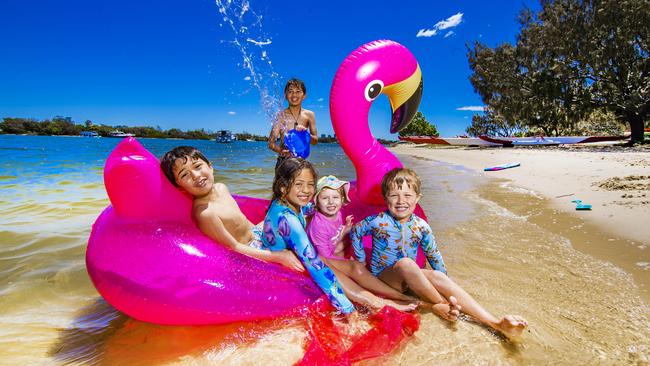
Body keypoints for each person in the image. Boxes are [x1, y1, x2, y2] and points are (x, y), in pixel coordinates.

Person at [351, 167, 528, 339]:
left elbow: (433, 254)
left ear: (418, 198)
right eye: (394, 195)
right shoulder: (377, 221)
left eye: (407, 195)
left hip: (410, 279)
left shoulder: (421, 226)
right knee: (406, 263)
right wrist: (360, 262)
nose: (400, 201)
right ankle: (443, 305)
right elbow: (356, 231)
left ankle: (495, 323)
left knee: (436, 274)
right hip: (385, 280)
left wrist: (442, 281)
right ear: (385, 198)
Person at [262, 158, 417, 315]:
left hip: (297, 256)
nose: (306, 190)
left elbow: (310, 208)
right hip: (284, 268)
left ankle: (399, 296)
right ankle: (378, 302)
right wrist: (347, 309)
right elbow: (316, 267)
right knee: (331, 268)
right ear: (283, 187)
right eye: (299, 184)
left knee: (354, 266)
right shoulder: (288, 219)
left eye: (310, 185)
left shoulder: (287, 203)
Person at [160, 146, 303, 272]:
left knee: (295, 208)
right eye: (185, 175)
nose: (196, 176)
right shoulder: (204, 213)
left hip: (257, 234)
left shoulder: (221, 187)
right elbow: (233, 247)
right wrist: (279, 257)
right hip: (250, 249)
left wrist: (267, 226)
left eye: (197, 166)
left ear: (210, 166)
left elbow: (244, 223)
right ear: (180, 187)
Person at [306, 175, 419, 310]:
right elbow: (324, 256)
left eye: (335, 197)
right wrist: (348, 265)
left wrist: (345, 230)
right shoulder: (319, 224)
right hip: (320, 259)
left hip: (330, 251)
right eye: (325, 198)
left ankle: (396, 295)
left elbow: (333, 240)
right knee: (356, 266)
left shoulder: (337, 214)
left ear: (342, 199)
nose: (331, 202)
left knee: (353, 255)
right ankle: (396, 297)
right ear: (317, 201)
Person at [268, 78, 317, 168]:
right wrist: (281, 151)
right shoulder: (280, 116)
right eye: (290, 91)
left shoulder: (309, 115)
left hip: (302, 161)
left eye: (298, 91)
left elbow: (315, 141)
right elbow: (271, 143)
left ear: (304, 95)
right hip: (284, 162)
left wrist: (305, 133)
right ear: (286, 95)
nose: (294, 95)